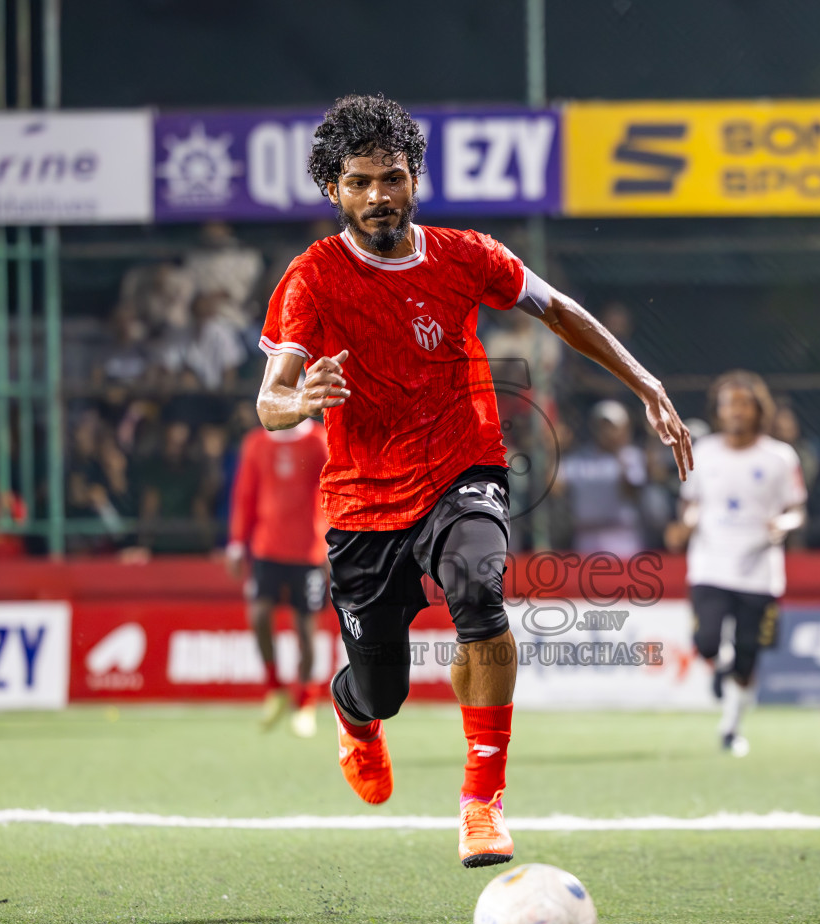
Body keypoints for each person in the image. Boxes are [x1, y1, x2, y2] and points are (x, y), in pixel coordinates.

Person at [255, 95, 692, 868]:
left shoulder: (465, 256)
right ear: (334, 190)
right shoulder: (311, 278)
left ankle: (482, 802)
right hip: (363, 500)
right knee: (381, 687)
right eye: (358, 182)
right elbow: (270, 400)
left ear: (415, 178)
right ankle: (354, 717)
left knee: (478, 587)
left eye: (392, 178)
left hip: (464, 464)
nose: (377, 196)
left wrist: (645, 381)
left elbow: (558, 310)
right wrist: (301, 400)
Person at [665, 371, 804, 756]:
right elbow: (692, 503)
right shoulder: (703, 452)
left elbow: (796, 509)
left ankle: (731, 727)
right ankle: (719, 664)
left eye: (744, 402)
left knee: (748, 655)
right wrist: (686, 527)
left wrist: (784, 524)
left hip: (759, 569)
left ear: (759, 409)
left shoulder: (779, 457)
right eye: (729, 403)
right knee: (706, 641)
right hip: (710, 563)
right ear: (719, 411)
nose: (736, 410)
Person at [225, 420, 330, 738]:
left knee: (306, 630)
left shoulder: (319, 441)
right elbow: (245, 494)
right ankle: (275, 687)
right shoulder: (256, 443)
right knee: (258, 615)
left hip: (308, 550)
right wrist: (236, 542)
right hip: (266, 547)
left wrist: (332, 541)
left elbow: (335, 490)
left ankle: (306, 704)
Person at [556, 400, 647, 557]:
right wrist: (556, 450)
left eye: (612, 427)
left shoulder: (632, 457)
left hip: (622, 538)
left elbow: (633, 491)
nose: (607, 431)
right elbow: (555, 488)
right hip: (586, 537)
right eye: (603, 426)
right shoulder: (581, 457)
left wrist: (618, 453)